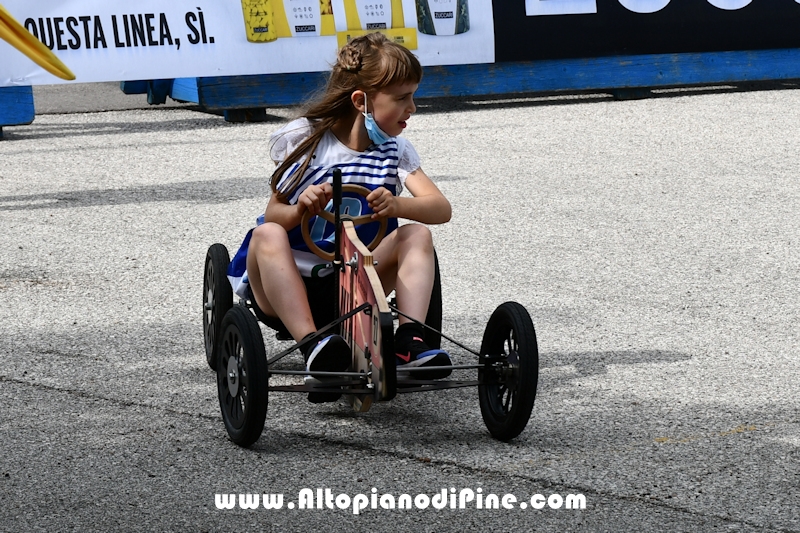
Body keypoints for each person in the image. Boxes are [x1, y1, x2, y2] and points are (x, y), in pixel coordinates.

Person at [228, 32, 452, 402]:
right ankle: (314, 347)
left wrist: (398, 206)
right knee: (267, 233)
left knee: (417, 235)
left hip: (359, 284)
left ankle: (409, 342)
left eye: (413, 95)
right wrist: (301, 207)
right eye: (402, 98)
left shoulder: (394, 150)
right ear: (361, 101)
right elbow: (274, 213)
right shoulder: (306, 139)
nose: (412, 107)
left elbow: (440, 209)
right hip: (289, 285)